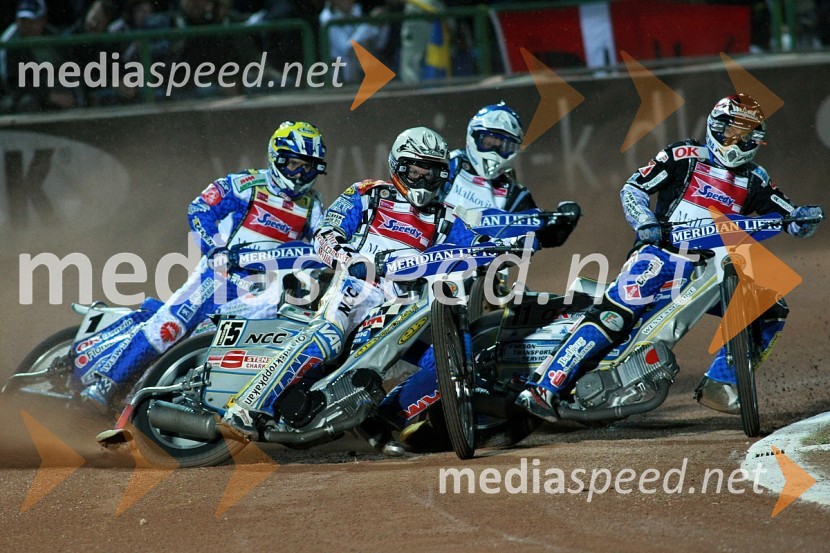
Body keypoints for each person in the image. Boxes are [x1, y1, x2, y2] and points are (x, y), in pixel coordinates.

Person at [515, 93, 824, 423]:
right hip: (661, 254)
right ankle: (543, 387)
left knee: (770, 309)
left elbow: (791, 216)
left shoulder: (756, 179)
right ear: (714, 128)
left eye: (746, 134)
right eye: (732, 131)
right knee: (616, 314)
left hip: (713, 267)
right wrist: (645, 221)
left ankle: (722, 384)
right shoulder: (683, 155)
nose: (737, 140)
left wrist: (806, 217)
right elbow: (634, 187)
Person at [220, 126, 486, 446]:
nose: (424, 179)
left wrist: (498, 248)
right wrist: (350, 261)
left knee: (448, 358)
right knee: (328, 337)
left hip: (402, 303)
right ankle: (246, 407)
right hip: (357, 285)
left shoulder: (446, 216)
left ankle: (381, 421)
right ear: (398, 167)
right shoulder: (369, 192)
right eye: (416, 169)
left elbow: (476, 246)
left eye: (432, 172)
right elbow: (326, 234)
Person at [78, 121, 328, 411]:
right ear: (277, 158)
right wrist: (215, 247)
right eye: (295, 165)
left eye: (308, 168)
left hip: (260, 294)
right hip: (219, 277)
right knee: (169, 327)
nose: (300, 174)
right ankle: (103, 385)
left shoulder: (314, 206)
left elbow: (319, 248)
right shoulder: (246, 184)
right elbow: (200, 208)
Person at [375, 103, 558, 448]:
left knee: (515, 301)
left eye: (502, 143)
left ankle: (480, 388)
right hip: (417, 261)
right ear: (473, 136)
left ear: (514, 148)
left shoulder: (518, 195)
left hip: (478, 268)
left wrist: (546, 229)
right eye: (487, 139)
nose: (492, 149)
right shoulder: (447, 163)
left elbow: (525, 243)